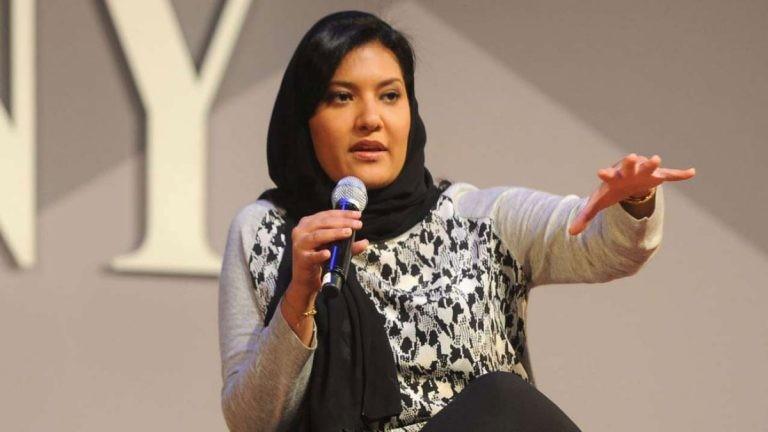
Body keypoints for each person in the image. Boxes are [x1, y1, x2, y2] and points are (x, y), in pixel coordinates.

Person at [217, 10, 696, 432]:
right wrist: (299, 294)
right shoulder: (267, 233)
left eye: (390, 95)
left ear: (411, 111)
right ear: (304, 118)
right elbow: (250, 422)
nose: (370, 119)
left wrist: (632, 202)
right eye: (342, 97)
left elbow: (594, 240)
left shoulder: (476, 217)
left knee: (501, 400)